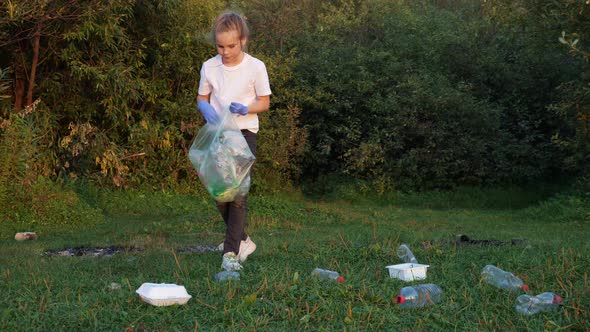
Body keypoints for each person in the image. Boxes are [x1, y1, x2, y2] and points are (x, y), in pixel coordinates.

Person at [197, 11, 271, 272]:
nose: (225, 51)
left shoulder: (255, 67)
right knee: (221, 195)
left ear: (242, 40)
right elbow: (202, 97)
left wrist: (247, 108)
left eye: (231, 45)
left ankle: (230, 252)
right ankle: (243, 240)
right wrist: (205, 109)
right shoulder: (209, 66)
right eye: (220, 46)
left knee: (238, 195)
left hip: (244, 134)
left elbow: (264, 101)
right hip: (219, 136)